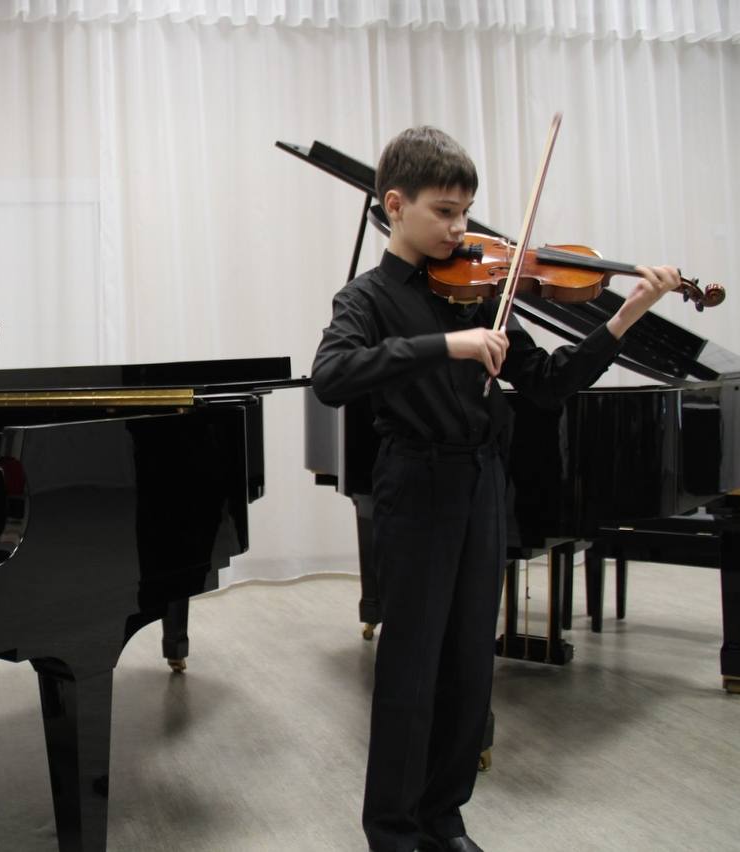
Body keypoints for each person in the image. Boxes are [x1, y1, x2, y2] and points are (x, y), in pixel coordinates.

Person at [310, 127, 681, 852]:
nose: (460, 230)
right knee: (411, 667)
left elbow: (549, 384)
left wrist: (627, 314)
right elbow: (331, 375)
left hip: (482, 483)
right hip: (415, 484)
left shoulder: (477, 295)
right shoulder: (366, 297)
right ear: (395, 205)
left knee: (469, 662)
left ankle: (443, 819)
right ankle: (392, 832)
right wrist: (446, 345)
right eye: (445, 212)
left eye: (466, 213)